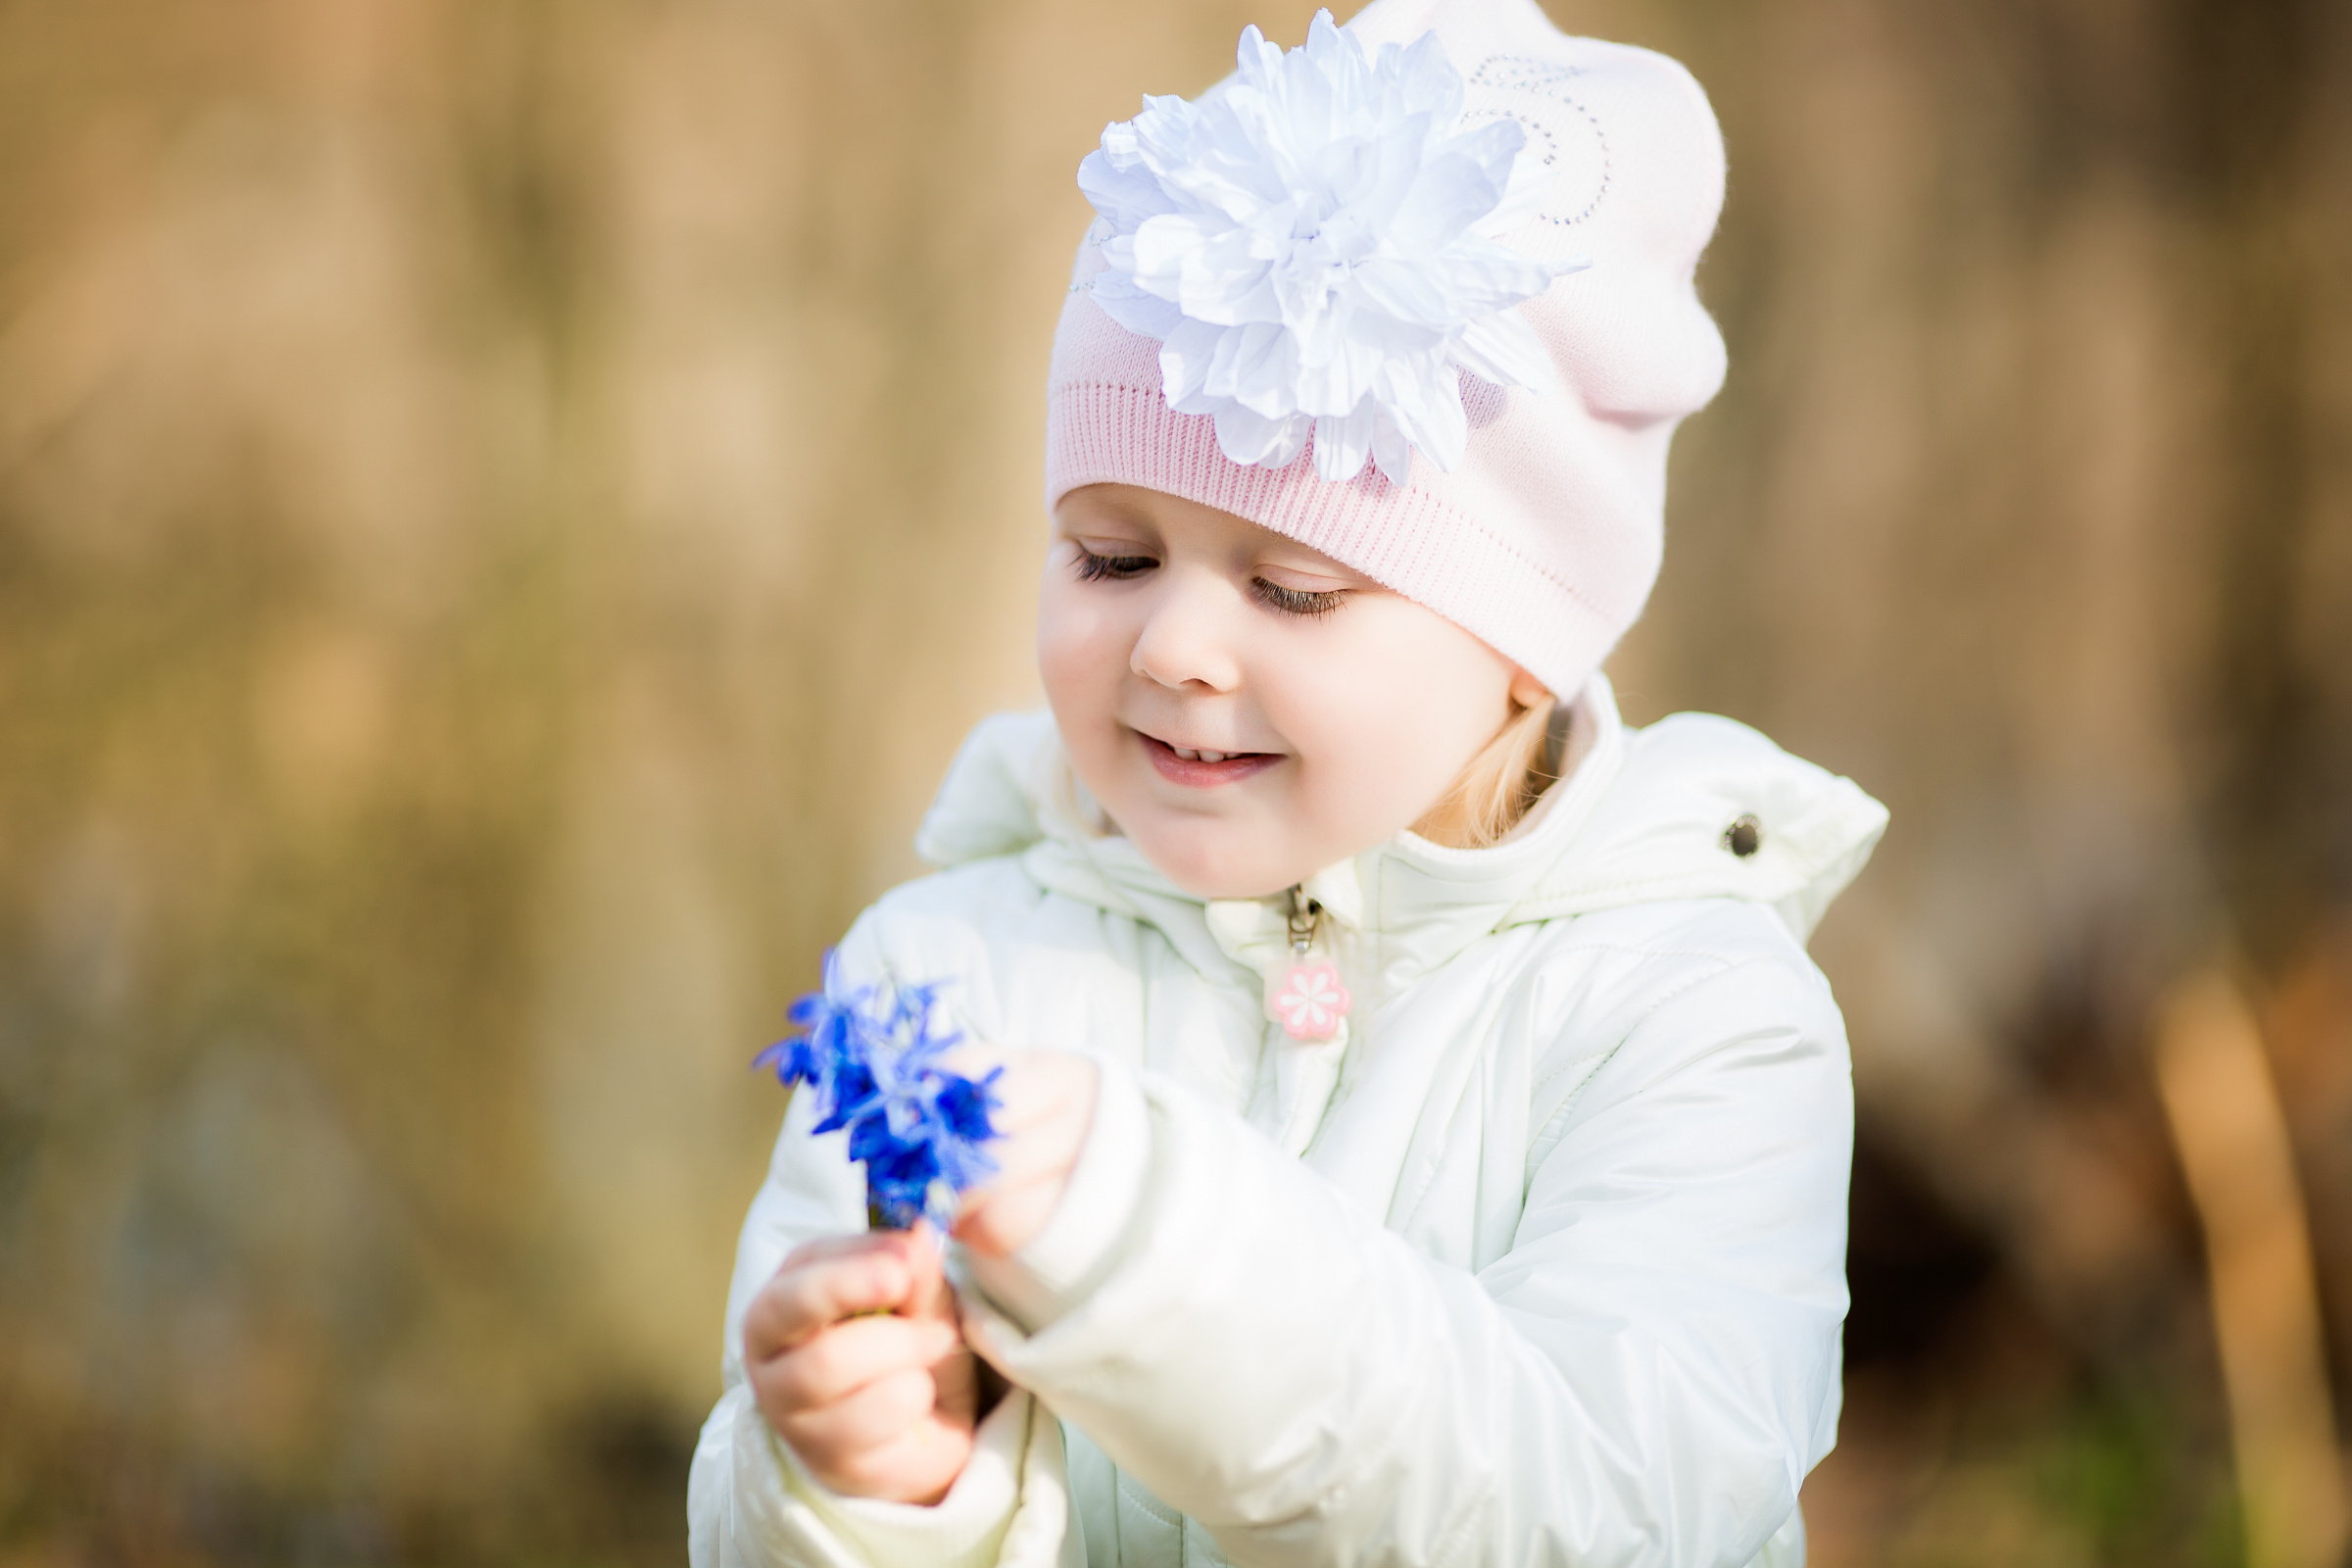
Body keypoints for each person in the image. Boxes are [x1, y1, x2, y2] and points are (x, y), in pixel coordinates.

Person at [689, 0, 1887, 1562]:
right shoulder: (948, 977)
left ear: (1530, 641)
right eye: (1110, 555)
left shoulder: (1697, 1019)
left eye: (1297, 588)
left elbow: (1612, 1508)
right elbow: (751, 1509)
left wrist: (1161, 1260)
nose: (1177, 644)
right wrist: (865, 1481)